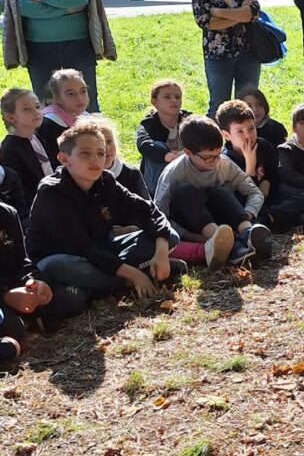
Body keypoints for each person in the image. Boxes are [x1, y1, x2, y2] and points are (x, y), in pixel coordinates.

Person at [28, 121, 178, 299]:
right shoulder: (52, 191)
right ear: (63, 159)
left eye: (100, 154)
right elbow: (81, 246)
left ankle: (101, 285)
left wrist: (161, 253)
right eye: (85, 154)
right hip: (67, 257)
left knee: (168, 236)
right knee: (56, 266)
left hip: (104, 250)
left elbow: (149, 211)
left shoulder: (106, 181)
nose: (95, 160)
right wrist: (133, 275)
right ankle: (130, 281)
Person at [154, 116, 270, 270]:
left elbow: (254, 192)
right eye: (208, 158)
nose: (215, 161)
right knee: (185, 191)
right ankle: (227, 243)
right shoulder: (174, 173)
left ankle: (248, 233)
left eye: (218, 154)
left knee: (220, 192)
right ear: (188, 152)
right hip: (192, 223)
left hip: (223, 222)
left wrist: (248, 213)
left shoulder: (224, 164)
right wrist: (192, 236)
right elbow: (160, 217)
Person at [1, 202, 86, 362]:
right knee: (12, 328)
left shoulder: (6, 213)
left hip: (15, 288)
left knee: (73, 299)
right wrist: (5, 296)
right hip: (4, 298)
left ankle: (28, 316)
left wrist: (35, 281)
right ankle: (26, 320)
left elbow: (23, 262)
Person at [217, 99, 304, 230]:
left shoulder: (263, 145)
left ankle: (266, 220)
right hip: (247, 201)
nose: (248, 135)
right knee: (236, 207)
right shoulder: (226, 159)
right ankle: (276, 220)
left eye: (251, 128)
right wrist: (249, 168)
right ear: (227, 135)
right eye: (240, 132)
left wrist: (268, 181)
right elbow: (242, 193)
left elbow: (274, 171)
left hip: (269, 195)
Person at [190, 0, 262, 117]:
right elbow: (205, 22)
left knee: (248, 103)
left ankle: (244, 142)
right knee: (218, 105)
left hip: (248, 52)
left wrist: (219, 12)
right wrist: (240, 14)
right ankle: (215, 143)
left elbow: (253, 13)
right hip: (217, 56)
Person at [136, 79, 191, 196]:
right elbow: (144, 144)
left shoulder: (189, 119)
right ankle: (157, 197)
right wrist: (168, 156)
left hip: (186, 172)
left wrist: (183, 155)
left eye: (178, 97)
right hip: (157, 179)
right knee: (158, 147)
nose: (174, 100)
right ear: (154, 101)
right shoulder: (149, 124)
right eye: (167, 97)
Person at [0, 89, 53, 203]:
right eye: (27, 109)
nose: (36, 112)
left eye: (37, 107)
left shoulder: (39, 137)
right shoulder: (10, 150)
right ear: (11, 117)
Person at [36, 68, 90, 166]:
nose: (80, 98)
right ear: (57, 98)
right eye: (71, 94)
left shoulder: (86, 117)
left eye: (83, 91)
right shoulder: (48, 126)